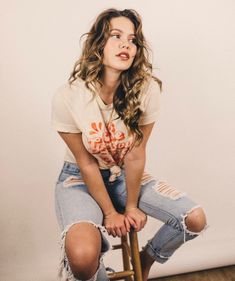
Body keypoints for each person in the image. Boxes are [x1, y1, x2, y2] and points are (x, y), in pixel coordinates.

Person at [51, 8, 208, 281]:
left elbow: (136, 154)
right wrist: (111, 213)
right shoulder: (68, 97)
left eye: (133, 39)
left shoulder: (146, 89)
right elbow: (86, 162)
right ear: (98, 43)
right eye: (116, 36)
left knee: (193, 218)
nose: (126, 44)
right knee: (82, 257)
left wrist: (132, 205)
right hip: (78, 177)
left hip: (122, 173)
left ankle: (145, 262)